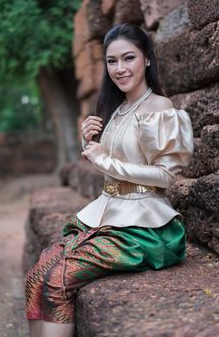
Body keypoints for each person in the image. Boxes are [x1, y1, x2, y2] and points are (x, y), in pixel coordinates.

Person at [26, 23, 194, 337]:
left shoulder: (161, 108)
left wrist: (104, 159)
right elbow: (112, 168)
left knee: (57, 279)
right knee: (40, 269)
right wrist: (88, 145)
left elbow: (166, 176)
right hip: (111, 217)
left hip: (147, 230)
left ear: (146, 59)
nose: (119, 68)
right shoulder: (115, 111)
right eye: (111, 61)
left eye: (128, 58)